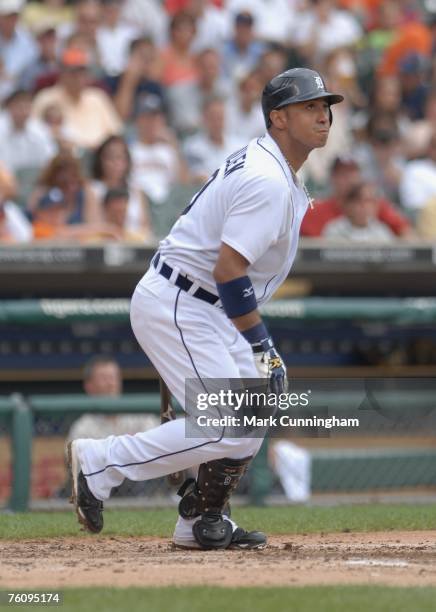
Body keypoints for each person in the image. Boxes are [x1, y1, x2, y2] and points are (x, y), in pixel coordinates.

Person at [67, 67, 343, 550]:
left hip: (205, 306)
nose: (323, 116)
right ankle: (99, 463)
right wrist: (263, 346)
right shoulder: (268, 179)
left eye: (325, 107)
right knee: (224, 425)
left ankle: (200, 519)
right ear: (277, 118)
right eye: (309, 107)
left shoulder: (275, 167)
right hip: (185, 301)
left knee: (251, 417)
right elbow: (229, 269)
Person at [322, 181, 396, 243]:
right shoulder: (334, 230)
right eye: (359, 202)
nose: (364, 207)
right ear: (347, 205)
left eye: (369, 201)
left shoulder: (381, 231)